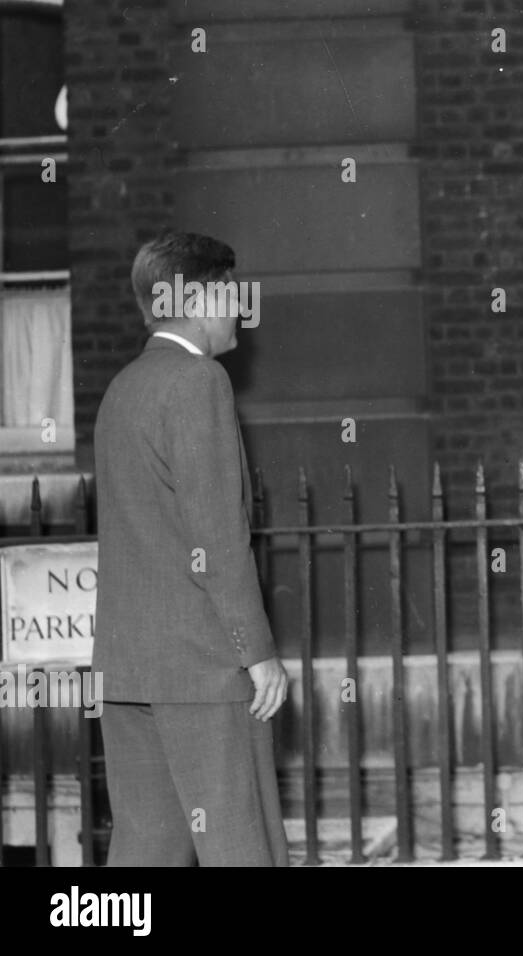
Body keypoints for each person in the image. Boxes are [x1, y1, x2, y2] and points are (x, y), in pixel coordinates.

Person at [93, 231, 289, 866]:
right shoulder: (199, 380)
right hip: (203, 669)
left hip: (128, 668)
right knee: (242, 847)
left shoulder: (123, 387)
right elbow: (216, 537)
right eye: (233, 291)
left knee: (144, 854)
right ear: (198, 296)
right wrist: (256, 653)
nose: (241, 307)